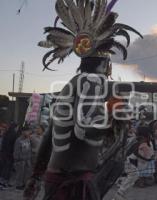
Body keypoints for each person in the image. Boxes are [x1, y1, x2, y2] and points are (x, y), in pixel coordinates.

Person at [23, 1, 143, 200]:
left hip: (57, 176)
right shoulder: (93, 80)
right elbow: (84, 128)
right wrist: (114, 115)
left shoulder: (69, 87)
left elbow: (48, 138)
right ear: (106, 64)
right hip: (75, 183)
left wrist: (36, 176)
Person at [14, 125, 32, 190]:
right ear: (23, 132)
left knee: (26, 173)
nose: (29, 132)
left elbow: (29, 149)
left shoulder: (28, 139)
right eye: (27, 131)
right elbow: (16, 152)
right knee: (20, 174)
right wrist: (18, 160)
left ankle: (24, 184)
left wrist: (29, 157)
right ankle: (19, 185)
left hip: (27, 160)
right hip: (20, 161)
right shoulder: (18, 140)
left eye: (29, 131)